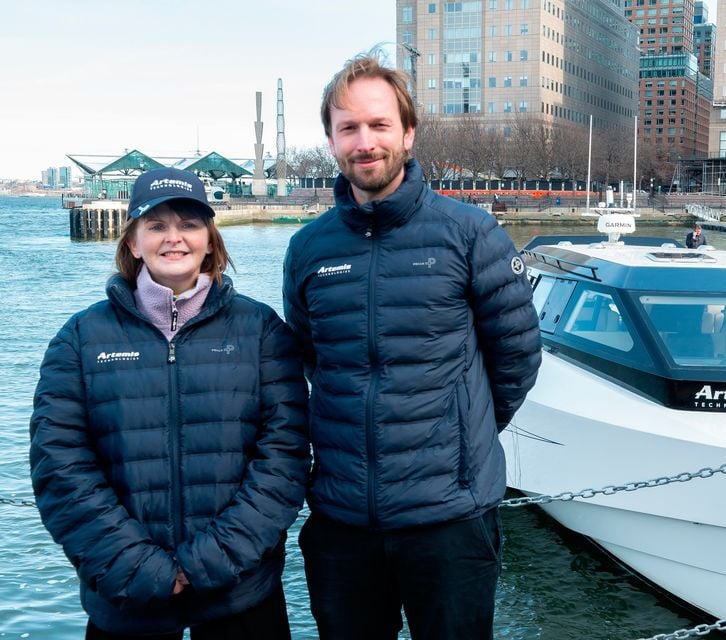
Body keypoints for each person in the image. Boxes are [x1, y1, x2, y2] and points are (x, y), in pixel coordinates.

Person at [282, 52, 542, 639]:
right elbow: (307, 358)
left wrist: (458, 435)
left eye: (378, 125)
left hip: (449, 518)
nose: (365, 141)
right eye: (348, 127)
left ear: (408, 132)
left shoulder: (470, 234)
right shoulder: (308, 250)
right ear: (330, 140)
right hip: (343, 517)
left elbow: (517, 355)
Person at [30, 168, 311, 640]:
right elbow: (59, 465)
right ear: (134, 242)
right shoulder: (80, 339)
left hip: (238, 592)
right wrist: (135, 564)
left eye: (188, 224)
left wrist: (212, 559)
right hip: (126, 594)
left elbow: (284, 457)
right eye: (157, 226)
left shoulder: (261, 331)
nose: (174, 238)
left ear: (209, 238)